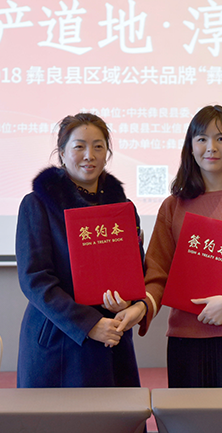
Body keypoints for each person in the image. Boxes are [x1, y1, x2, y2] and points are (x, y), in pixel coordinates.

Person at [116, 104, 222, 388]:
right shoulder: (173, 206)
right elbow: (157, 274)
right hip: (187, 341)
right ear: (191, 146)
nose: (212, 147)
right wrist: (140, 308)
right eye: (202, 139)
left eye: (221, 138)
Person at [16, 113, 145, 388]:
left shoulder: (123, 209)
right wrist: (89, 324)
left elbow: (136, 269)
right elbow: (35, 280)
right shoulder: (37, 205)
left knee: (116, 412)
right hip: (60, 340)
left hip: (112, 338)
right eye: (79, 147)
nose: (90, 155)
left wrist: (128, 302)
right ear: (62, 153)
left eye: (98, 146)